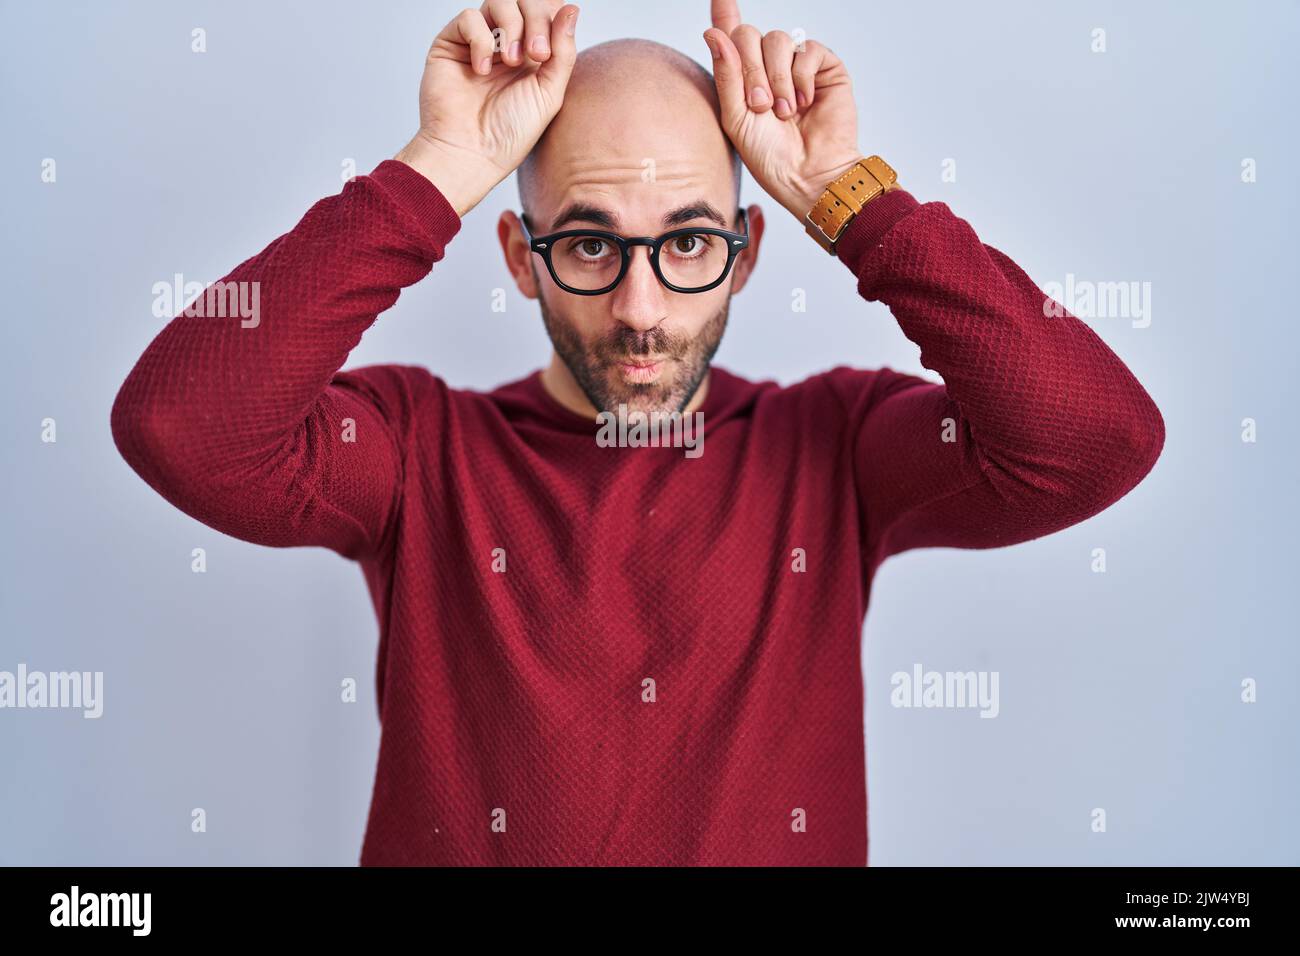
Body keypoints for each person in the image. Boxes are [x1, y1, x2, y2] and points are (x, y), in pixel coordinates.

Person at [110, 0, 1165, 865]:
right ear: (521, 260)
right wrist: (436, 166)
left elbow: (1095, 438)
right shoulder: (414, 450)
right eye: (588, 245)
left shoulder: (832, 447)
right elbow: (182, 426)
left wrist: (847, 200)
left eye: (689, 242)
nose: (642, 309)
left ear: (748, 253)